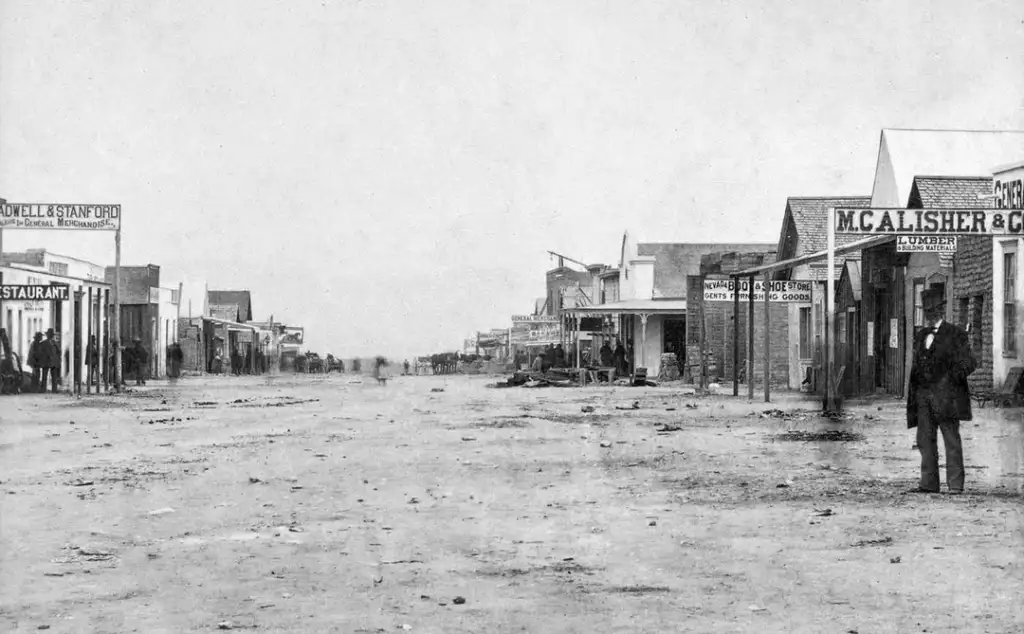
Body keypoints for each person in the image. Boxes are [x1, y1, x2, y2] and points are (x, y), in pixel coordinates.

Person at [906, 289, 975, 494]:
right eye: (927, 310)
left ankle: (955, 485)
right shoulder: (920, 336)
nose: (930, 314)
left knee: (951, 440)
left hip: (947, 399)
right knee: (925, 441)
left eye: (934, 309)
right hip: (923, 399)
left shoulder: (956, 334)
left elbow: (970, 362)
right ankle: (928, 484)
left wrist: (950, 380)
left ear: (942, 309)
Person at [43, 329, 60, 393]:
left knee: (54, 377)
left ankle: (54, 390)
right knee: (44, 376)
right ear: (47, 335)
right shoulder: (43, 343)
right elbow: (42, 352)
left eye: (51, 335)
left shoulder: (55, 343)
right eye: (49, 335)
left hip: (53, 362)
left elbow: (59, 351)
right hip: (46, 361)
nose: (50, 336)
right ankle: (43, 389)